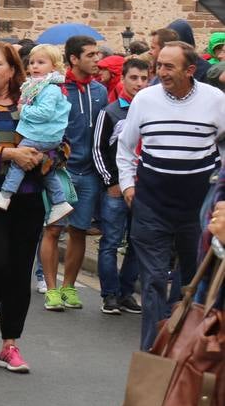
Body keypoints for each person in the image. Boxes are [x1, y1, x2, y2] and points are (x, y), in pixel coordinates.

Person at [0, 41, 69, 375]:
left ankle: (10, 344)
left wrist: (42, 158)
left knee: (20, 272)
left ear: (11, 70)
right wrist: (9, 154)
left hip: (30, 197)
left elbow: (62, 142)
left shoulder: (32, 99)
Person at [118, 41, 225, 350]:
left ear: (190, 70)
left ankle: (186, 352)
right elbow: (126, 146)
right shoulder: (145, 99)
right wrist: (127, 185)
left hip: (198, 207)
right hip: (151, 202)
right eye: (158, 65)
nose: (160, 72)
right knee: (152, 281)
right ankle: (151, 354)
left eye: (168, 66)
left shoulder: (215, 99)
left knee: (194, 280)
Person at [37, 35, 108, 311]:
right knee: (53, 229)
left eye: (97, 54)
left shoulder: (100, 91)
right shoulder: (55, 88)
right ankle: (51, 289)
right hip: (60, 170)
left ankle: (69, 287)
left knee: (79, 231)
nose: (96, 60)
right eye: (90, 55)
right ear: (74, 59)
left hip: (89, 172)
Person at [0, 44, 74, 223]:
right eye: (31, 63)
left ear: (54, 66)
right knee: (46, 171)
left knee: (19, 159)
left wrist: (24, 110)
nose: (34, 66)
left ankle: (5, 194)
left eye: (40, 62)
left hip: (42, 136)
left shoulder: (49, 88)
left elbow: (45, 113)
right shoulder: (39, 86)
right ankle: (59, 201)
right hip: (45, 136)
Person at [91, 55, 149, 315]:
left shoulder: (152, 109)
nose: (139, 83)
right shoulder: (111, 111)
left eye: (144, 78)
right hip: (116, 189)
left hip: (145, 189)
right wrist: (110, 181)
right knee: (111, 242)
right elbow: (98, 149)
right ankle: (110, 295)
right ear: (123, 79)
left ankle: (127, 292)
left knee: (138, 243)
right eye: (133, 78)